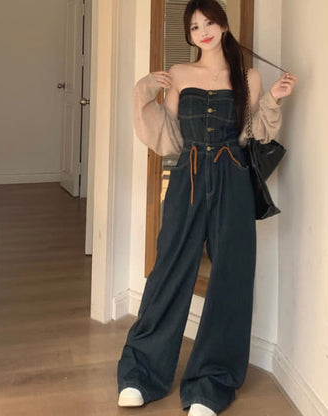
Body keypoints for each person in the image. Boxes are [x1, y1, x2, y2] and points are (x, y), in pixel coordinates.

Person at [117, 1, 297, 415]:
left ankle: (210, 383)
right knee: (169, 268)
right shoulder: (179, 74)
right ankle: (142, 373)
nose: (203, 31)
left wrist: (272, 97)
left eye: (210, 22)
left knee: (231, 276)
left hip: (233, 178)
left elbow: (251, 134)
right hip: (189, 176)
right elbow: (169, 132)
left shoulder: (249, 77)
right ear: (189, 34)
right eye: (195, 26)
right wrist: (144, 91)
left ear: (224, 25)